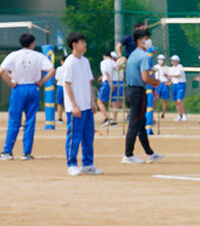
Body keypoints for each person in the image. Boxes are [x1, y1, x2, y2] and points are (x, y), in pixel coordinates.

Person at [1, 32, 53, 160]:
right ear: (32, 43)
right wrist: (41, 81)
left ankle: (7, 151)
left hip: (18, 88)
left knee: (14, 120)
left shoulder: (14, 55)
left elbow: (2, 70)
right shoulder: (38, 56)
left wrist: (11, 83)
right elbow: (52, 70)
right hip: (33, 87)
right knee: (30, 120)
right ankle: (26, 153)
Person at [59, 33, 100, 176]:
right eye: (82, 42)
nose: (85, 45)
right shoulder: (70, 62)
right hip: (75, 108)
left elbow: (89, 82)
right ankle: (71, 164)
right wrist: (74, 105)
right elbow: (67, 85)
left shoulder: (85, 61)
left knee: (88, 136)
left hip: (87, 106)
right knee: (74, 136)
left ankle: (88, 164)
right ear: (74, 45)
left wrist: (92, 102)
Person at [121, 29, 162, 164]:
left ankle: (149, 152)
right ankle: (128, 154)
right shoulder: (144, 56)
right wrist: (156, 82)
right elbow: (145, 78)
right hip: (138, 92)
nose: (149, 41)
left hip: (130, 91)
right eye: (146, 38)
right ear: (139, 41)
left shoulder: (133, 54)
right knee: (135, 124)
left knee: (140, 123)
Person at [97, 49, 120, 128]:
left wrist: (110, 83)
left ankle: (106, 118)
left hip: (108, 82)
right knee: (114, 102)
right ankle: (114, 120)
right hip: (116, 82)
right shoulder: (114, 63)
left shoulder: (103, 62)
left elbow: (106, 72)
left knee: (100, 101)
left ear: (104, 56)